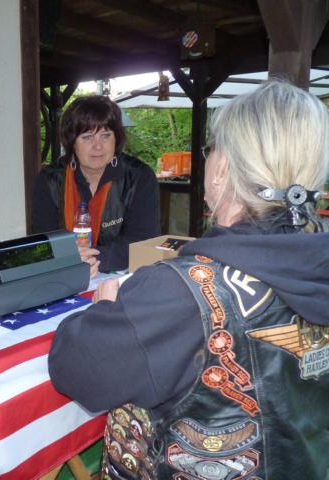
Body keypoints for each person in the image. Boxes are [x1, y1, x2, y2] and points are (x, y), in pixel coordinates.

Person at [48, 81, 329, 479]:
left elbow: (76, 370)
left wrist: (105, 308)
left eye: (210, 149)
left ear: (224, 168)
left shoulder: (182, 289)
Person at [31, 95, 160, 274]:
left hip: (123, 276)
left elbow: (143, 242)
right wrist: (71, 260)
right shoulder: (49, 180)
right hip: (65, 273)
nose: (98, 146)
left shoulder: (139, 177)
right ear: (71, 142)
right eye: (87, 137)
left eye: (106, 135)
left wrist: (90, 259)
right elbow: (44, 242)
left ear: (117, 139)